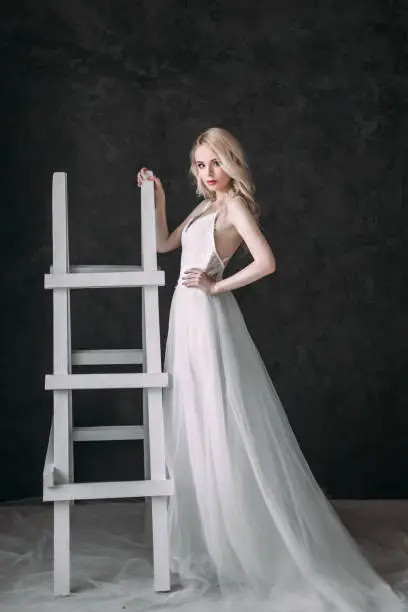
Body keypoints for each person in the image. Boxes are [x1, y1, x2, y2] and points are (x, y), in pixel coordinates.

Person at [136, 127, 407, 612]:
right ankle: (218, 540)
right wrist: (156, 194)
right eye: (200, 165)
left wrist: (218, 287)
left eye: (215, 162)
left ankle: (247, 540)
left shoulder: (234, 207)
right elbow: (162, 246)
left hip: (207, 316)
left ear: (231, 162)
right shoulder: (203, 207)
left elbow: (267, 262)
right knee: (194, 419)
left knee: (222, 420)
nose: (208, 173)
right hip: (185, 317)